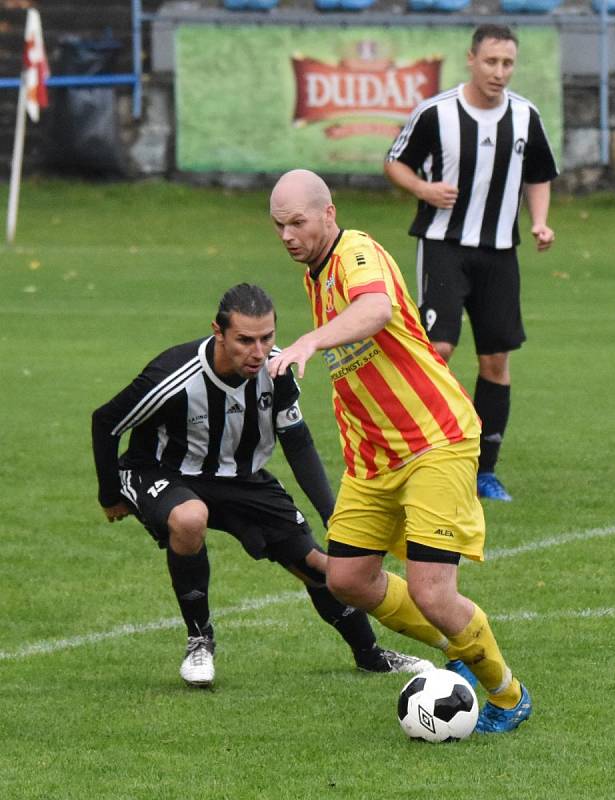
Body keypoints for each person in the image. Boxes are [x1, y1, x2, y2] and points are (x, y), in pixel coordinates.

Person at [268, 169, 531, 733]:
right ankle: (457, 645)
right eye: (279, 226)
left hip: (434, 438)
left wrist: (310, 340)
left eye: (297, 222)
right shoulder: (315, 274)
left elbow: (376, 311)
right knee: (347, 579)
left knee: (435, 590)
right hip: (375, 457)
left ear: (328, 213)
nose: (288, 235)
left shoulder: (355, 250)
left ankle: (507, 694)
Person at [91, 283, 435, 687]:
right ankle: (200, 642)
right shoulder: (173, 374)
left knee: (321, 566)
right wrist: (111, 494)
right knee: (189, 517)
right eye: (245, 340)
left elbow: (298, 441)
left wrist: (333, 516)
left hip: (242, 480)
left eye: (266, 338)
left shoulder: (276, 369)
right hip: (163, 472)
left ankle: (370, 655)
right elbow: (106, 421)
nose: (258, 351)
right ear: (218, 332)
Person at [384, 24, 558, 502]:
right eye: (491, 62)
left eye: (507, 64)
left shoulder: (525, 117)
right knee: (438, 349)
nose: (499, 72)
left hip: (500, 251)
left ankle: (484, 471)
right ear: (471, 59)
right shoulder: (437, 112)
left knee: (495, 361)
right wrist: (423, 189)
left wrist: (540, 222)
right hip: (443, 244)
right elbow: (395, 161)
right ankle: (420, 453)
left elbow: (539, 174)